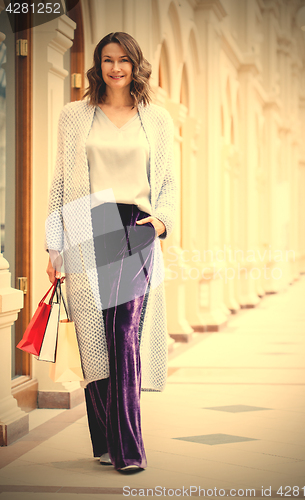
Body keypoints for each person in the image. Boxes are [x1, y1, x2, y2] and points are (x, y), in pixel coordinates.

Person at [45, 32, 177, 473]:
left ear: (135, 65)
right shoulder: (74, 116)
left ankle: (129, 449)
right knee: (96, 338)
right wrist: (54, 244)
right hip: (88, 224)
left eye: (123, 60)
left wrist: (162, 221)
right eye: (107, 60)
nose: (115, 68)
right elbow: (60, 183)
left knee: (124, 333)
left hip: (136, 228)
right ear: (97, 66)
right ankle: (103, 439)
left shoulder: (156, 119)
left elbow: (169, 183)